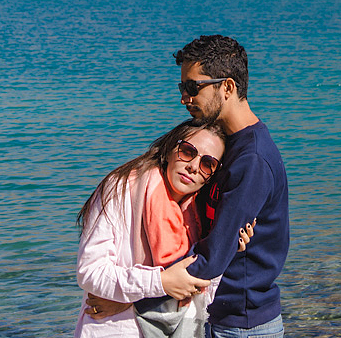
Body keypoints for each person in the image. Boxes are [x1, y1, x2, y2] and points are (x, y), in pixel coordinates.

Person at [88, 35, 290, 338]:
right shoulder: (224, 148)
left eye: (193, 87)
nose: (184, 98)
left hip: (243, 325)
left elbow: (211, 259)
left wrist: (128, 302)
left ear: (228, 87)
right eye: (183, 87)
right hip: (219, 317)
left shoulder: (252, 160)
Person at [74, 120, 232, 338]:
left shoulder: (202, 213)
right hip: (117, 330)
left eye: (207, 164)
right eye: (187, 151)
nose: (194, 166)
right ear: (169, 150)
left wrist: (234, 247)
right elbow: (90, 272)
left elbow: (202, 292)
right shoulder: (122, 189)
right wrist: (160, 283)